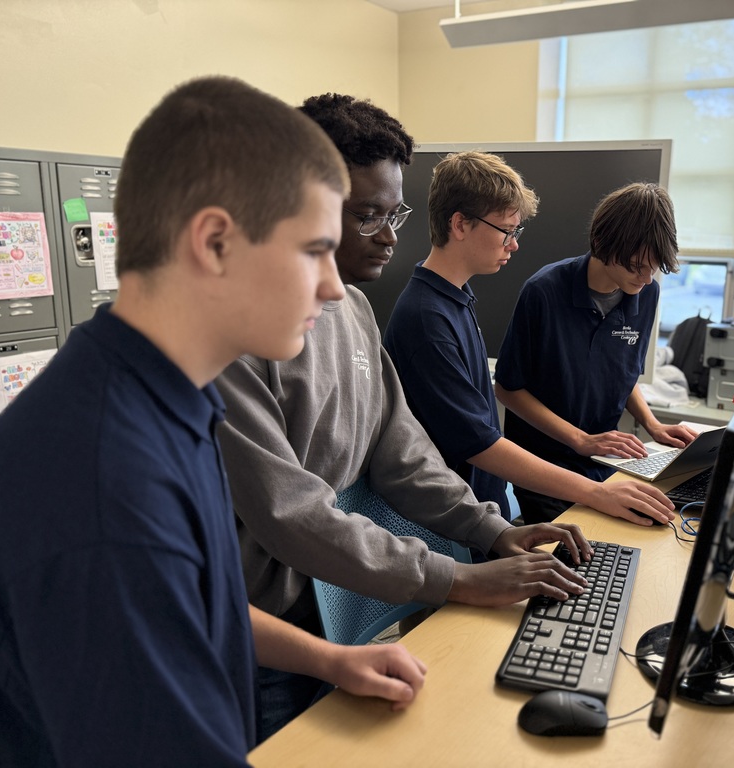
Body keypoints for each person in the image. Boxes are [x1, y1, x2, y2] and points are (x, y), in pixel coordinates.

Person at [0, 77, 429, 767]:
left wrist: (328, 659)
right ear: (216, 242)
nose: (331, 285)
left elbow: (205, 603)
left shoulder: (163, 396)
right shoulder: (108, 484)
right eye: (314, 250)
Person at [214, 94, 592, 741]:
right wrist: (456, 578)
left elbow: (402, 453)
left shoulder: (354, 311)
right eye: (368, 216)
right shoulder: (231, 339)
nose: (391, 235)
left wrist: (494, 531)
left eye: (395, 213)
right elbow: (291, 515)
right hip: (261, 636)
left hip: (332, 603)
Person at [382, 151, 678, 529]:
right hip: (453, 518)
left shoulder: (455, 298)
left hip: (482, 507)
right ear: (460, 224)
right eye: (507, 231)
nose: (514, 244)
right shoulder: (427, 319)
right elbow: (480, 444)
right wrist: (594, 491)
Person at [493, 181, 701, 524]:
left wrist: (652, 425)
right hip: (545, 469)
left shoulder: (645, 294)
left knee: (663, 523)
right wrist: (580, 440)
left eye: (654, 268)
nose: (647, 279)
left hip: (607, 463)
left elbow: (622, 371)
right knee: (587, 548)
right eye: (636, 266)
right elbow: (508, 388)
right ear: (604, 245)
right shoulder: (544, 292)